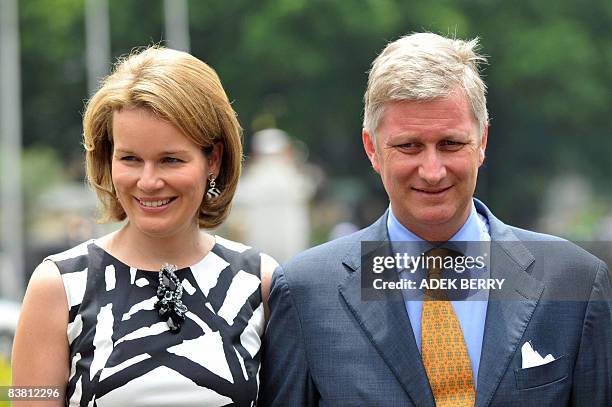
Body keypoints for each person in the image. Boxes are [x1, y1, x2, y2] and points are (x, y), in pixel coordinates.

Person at [260, 33, 611, 406]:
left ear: (482, 142)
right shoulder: (307, 293)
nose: (432, 170)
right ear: (372, 149)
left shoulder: (574, 283)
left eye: (450, 144)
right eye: (409, 146)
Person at [12, 46, 277, 406]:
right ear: (107, 158)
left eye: (170, 160)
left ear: (212, 159)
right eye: (130, 159)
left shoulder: (260, 281)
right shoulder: (56, 286)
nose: (148, 181)